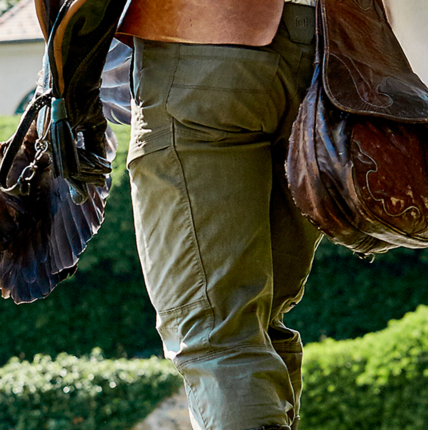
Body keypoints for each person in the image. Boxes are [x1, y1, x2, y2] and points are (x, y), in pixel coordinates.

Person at [118, 1, 321, 429]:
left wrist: (65, 88)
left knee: (217, 334)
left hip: (198, 39)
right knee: (261, 323)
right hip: (322, 50)